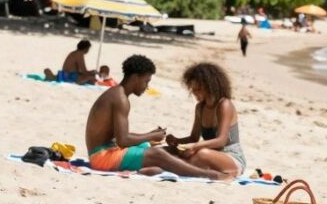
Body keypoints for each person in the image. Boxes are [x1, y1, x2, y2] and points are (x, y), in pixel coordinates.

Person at [84, 55, 228, 179]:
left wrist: (151, 135)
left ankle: (149, 169)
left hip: (106, 151)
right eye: (146, 81)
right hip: (102, 158)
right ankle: (209, 175)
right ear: (135, 78)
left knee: (166, 150)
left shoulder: (117, 93)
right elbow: (123, 140)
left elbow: (117, 136)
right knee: (158, 153)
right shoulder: (120, 99)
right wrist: (150, 136)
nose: (147, 86)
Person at [164, 63, 248, 178]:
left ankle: (172, 165)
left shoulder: (224, 105)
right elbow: (193, 138)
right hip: (208, 153)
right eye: (193, 89)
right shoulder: (200, 108)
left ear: (210, 86)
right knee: (166, 151)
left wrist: (194, 146)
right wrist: (176, 141)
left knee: (200, 154)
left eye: (198, 89)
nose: (194, 93)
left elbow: (221, 141)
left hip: (230, 157)